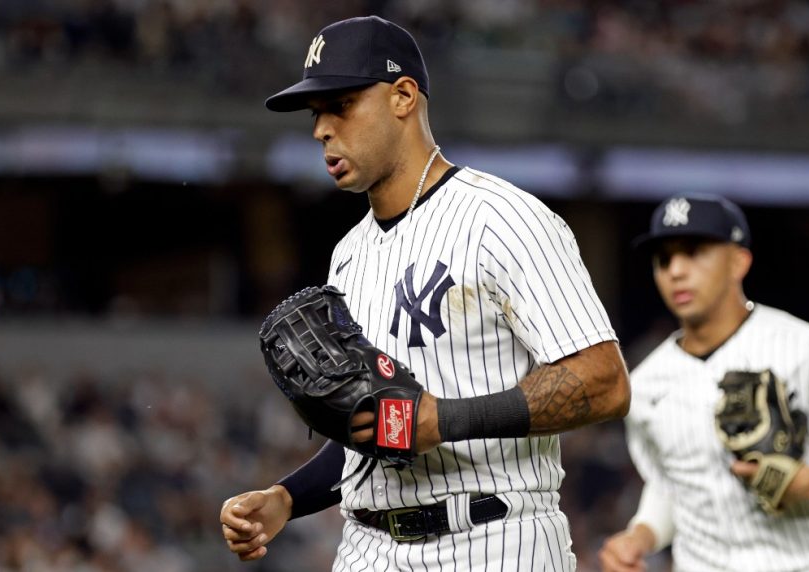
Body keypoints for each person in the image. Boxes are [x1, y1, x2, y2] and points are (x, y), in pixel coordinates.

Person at [219, 15, 631, 570]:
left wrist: (443, 420)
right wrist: (287, 499)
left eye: (340, 105)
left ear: (403, 97)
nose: (321, 129)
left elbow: (603, 381)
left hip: (493, 537)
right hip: (368, 546)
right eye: (316, 114)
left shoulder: (501, 218)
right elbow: (377, 421)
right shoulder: (349, 254)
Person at [598, 194, 809, 572]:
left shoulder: (808, 350)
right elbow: (672, 482)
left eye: (694, 251)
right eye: (663, 259)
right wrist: (641, 535)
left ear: (739, 261)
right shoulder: (647, 382)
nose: (676, 270)